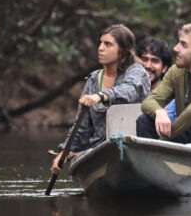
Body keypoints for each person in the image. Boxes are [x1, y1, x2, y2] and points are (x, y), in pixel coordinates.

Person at [51, 24, 150, 174]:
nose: (100, 48)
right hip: (98, 151)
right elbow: (81, 127)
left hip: (134, 149)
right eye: (100, 43)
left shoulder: (137, 71)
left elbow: (129, 91)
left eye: (108, 44)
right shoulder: (92, 80)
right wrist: (64, 152)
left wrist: (100, 96)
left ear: (122, 51)